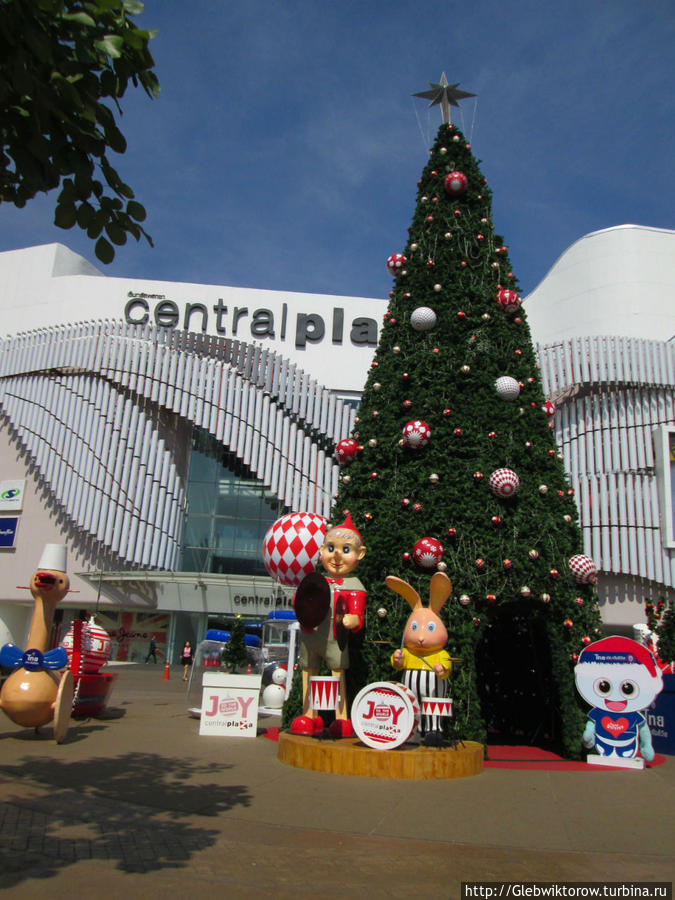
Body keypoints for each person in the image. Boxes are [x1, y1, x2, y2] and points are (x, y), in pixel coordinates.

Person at [291, 512, 367, 738]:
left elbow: (357, 616)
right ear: (322, 550)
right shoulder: (316, 580)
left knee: (337, 674)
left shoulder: (354, 585)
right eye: (331, 547)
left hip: (336, 638)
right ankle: (309, 715)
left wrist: (353, 620)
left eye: (346, 550)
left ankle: (340, 718)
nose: (336, 556)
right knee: (308, 672)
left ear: (359, 554)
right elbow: (299, 599)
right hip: (311, 634)